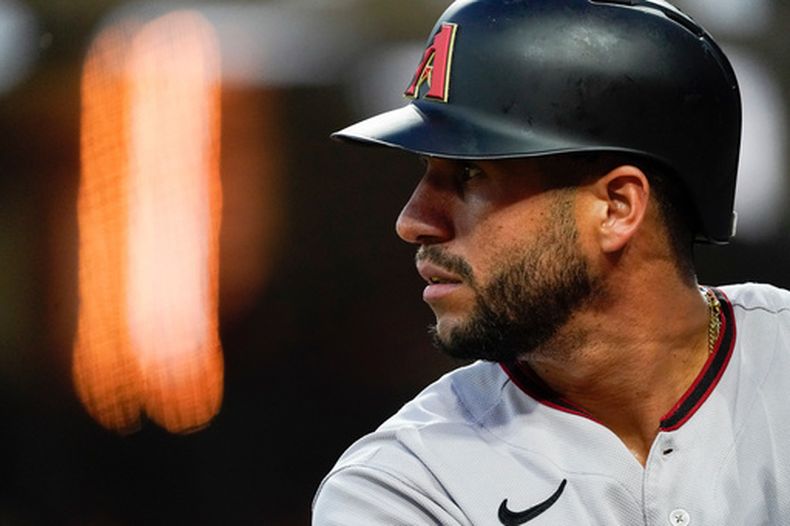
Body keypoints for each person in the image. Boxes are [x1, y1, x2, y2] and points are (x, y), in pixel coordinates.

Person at [313, 0, 790, 524]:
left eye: (471, 173)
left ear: (616, 207)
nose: (414, 220)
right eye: (428, 171)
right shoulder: (404, 487)